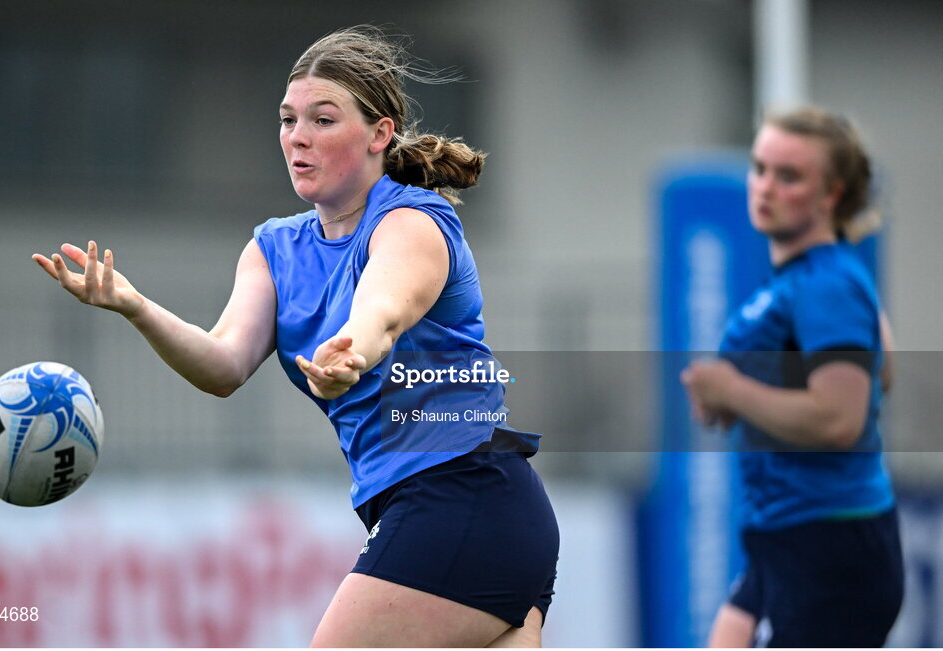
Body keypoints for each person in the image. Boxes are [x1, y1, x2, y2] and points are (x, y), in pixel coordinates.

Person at [33, 26, 559, 648]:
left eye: (323, 119)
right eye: (287, 120)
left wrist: (353, 352)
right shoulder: (273, 248)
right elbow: (224, 365)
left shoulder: (413, 222)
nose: (297, 137)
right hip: (442, 512)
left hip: (463, 495)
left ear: (379, 134)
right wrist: (134, 305)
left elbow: (382, 311)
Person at [681, 107, 904, 647]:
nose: (764, 187)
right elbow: (883, 370)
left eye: (789, 176)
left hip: (828, 544)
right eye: (759, 168)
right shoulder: (804, 277)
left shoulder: (826, 283)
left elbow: (840, 419)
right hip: (784, 535)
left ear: (831, 195)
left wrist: (732, 389)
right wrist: (743, 396)